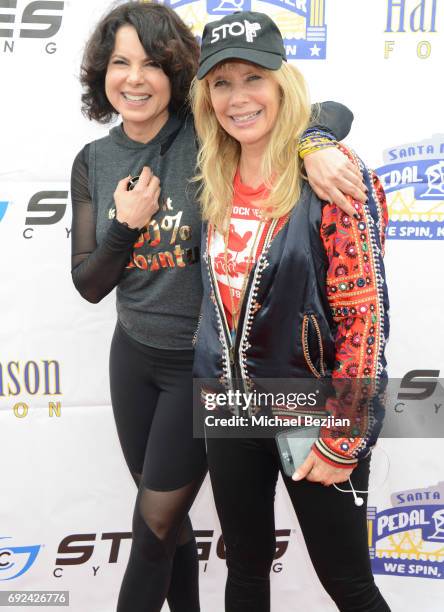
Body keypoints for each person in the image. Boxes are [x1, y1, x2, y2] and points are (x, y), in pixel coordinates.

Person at [70, 3, 368, 611]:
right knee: (173, 526)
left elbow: (309, 110)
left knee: (153, 523)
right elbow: (89, 282)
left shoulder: (202, 135)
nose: (134, 78)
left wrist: (315, 142)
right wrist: (125, 228)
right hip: (137, 359)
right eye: (120, 62)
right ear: (101, 73)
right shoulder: (98, 160)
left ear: (176, 74)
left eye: (152, 63)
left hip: (205, 368)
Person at [191, 10, 390, 612]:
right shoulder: (214, 172)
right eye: (221, 83)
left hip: (312, 407)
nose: (237, 97)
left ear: (284, 82)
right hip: (227, 402)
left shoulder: (332, 174)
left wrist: (344, 432)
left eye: (253, 77)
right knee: (245, 572)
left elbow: (366, 320)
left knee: (348, 584)